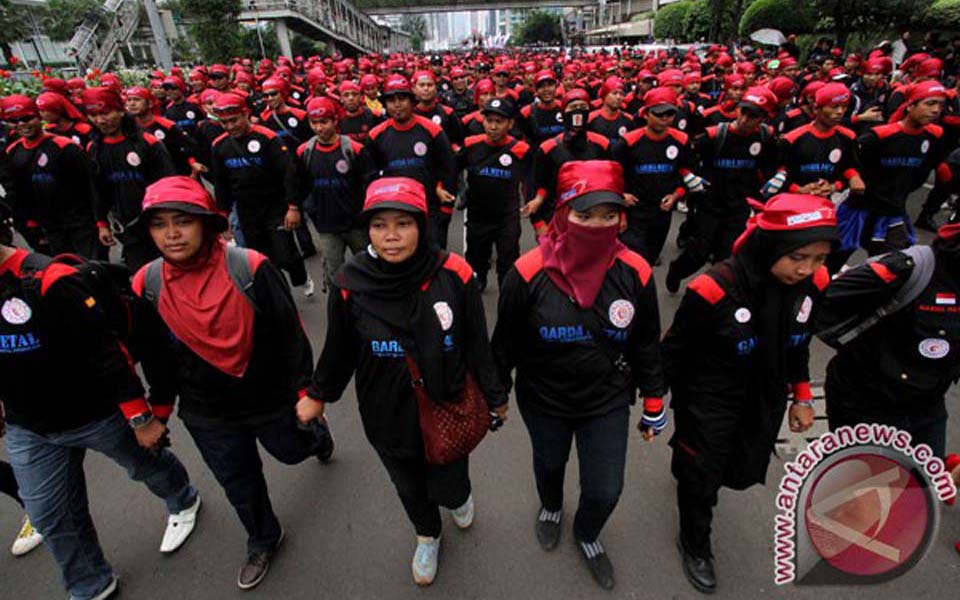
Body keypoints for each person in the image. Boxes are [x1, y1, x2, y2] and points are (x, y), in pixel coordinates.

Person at [130, 176, 332, 590]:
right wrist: (159, 409)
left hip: (268, 395)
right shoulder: (146, 283)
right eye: (159, 224)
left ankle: (317, 439)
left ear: (206, 223)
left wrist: (307, 393)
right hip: (207, 411)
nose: (171, 235)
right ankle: (263, 537)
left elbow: (289, 334)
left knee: (292, 452)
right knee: (238, 481)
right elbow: (155, 354)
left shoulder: (250, 267)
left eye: (183, 221)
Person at [305, 177, 508, 586]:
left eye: (403, 224)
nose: (391, 237)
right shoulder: (349, 283)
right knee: (409, 485)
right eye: (380, 226)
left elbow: (476, 343)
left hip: (447, 403)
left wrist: (496, 395)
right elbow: (339, 349)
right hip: (386, 410)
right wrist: (318, 395)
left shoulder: (455, 273)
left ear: (423, 224)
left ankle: (459, 496)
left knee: (450, 482)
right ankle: (428, 535)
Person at [0, 197, 200, 600]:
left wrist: (143, 419)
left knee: (146, 465)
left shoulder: (49, 280)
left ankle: (183, 498)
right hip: (29, 428)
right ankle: (91, 584)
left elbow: (105, 353)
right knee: (49, 517)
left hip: (95, 413)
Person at [492, 160, 665, 590]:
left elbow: (646, 342)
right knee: (549, 465)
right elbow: (504, 344)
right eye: (584, 215)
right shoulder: (527, 273)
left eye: (608, 215)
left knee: (606, 489)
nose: (597, 225)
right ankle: (551, 507)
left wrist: (655, 400)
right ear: (562, 214)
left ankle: (587, 532)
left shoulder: (635, 272)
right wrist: (494, 398)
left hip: (605, 400)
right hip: (543, 398)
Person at [662, 194, 836, 594]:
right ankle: (695, 545)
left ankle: (687, 462)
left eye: (819, 258)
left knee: (736, 467)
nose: (807, 269)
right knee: (702, 476)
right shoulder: (713, 288)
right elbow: (672, 351)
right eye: (799, 257)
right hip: (709, 397)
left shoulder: (815, 284)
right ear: (770, 246)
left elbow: (798, 343)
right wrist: (653, 403)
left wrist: (803, 396)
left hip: (764, 396)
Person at [815, 221, 960, 458]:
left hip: (927, 405)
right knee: (862, 488)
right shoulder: (909, 270)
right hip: (866, 402)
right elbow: (820, 306)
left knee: (926, 488)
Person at [666, 87, 779, 292]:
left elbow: (777, 161)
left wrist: (780, 176)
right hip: (710, 202)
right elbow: (685, 159)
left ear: (763, 118)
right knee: (699, 252)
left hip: (740, 205)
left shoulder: (765, 137)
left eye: (753, 116)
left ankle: (710, 293)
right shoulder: (714, 135)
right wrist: (688, 176)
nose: (745, 119)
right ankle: (677, 270)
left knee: (727, 254)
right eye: (743, 111)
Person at [210, 92, 315, 296]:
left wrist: (293, 207)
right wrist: (223, 217)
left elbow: (288, 174)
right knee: (261, 258)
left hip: (276, 207)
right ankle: (278, 294)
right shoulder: (219, 146)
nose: (230, 126)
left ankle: (301, 278)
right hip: (247, 211)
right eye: (224, 123)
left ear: (246, 114)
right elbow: (221, 184)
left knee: (285, 254)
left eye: (234, 120)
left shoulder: (268, 138)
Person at [82, 86, 176, 270]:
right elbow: (97, 190)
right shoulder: (94, 148)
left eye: (106, 113)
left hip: (157, 222)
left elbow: (169, 184)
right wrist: (102, 224)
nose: (100, 120)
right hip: (127, 228)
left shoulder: (148, 143)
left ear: (120, 110)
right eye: (93, 115)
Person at [365, 75, 458, 248]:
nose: (397, 104)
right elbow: (370, 176)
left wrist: (446, 206)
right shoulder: (376, 135)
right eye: (391, 100)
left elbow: (448, 167)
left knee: (433, 256)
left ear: (412, 101)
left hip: (430, 208)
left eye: (402, 98)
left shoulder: (432, 130)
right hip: (395, 210)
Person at [3, 94, 100, 257]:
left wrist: (100, 222)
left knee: (92, 269)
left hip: (80, 223)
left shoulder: (65, 147)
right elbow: (18, 192)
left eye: (27, 118)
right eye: (14, 121)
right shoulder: (12, 152)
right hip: (49, 227)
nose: (22, 124)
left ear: (38, 116)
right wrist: (31, 223)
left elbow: (91, 186)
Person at [613, 86, 698, 264]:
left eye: (669, 113)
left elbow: (687, 174)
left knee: (651, 258)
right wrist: (621, 198)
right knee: (633, 260)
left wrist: (676, 196)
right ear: (646, 114)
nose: (665, 118)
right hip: (634, 212)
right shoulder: (628, 142)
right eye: (659, 114)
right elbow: (612, 175)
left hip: (662, 212)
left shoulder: (681, 140)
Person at [457, 98, 531, 290]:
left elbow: (534, 177)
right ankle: (477, 285)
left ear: (510, 124)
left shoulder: (521, 150)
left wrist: (536, 198)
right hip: (478, 215)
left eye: (499, 122)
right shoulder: (471, 145)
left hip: (507, 217)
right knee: (475, 262)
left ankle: (508, 298)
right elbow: (450, 169)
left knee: (508, 262)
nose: (493, 126)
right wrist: (443, 188)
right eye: (489, 121)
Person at [297, 97, 367, 287]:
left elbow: (367, 184)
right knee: (335, 274)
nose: (320, 128)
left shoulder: (353, 149)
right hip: (326, 225)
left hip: (356, 223)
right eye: (314, 123)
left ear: (335, 121)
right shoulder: (305, 152)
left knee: (366, 268)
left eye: (324, 122)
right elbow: (299, 184)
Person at [524, 88, 611, 238]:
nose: (578, 112)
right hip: (555, 216)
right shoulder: (548, 148)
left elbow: (610, 183)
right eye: (573, 108)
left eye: (583, 108)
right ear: (564, 112)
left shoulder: (602, 144)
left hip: (592, 218)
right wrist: (538, 223)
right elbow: (535, 186)